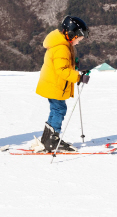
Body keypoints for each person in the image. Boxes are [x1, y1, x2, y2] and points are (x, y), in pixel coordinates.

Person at [36, 16, 91, 152]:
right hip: (55, 85)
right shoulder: (62, 48)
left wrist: (74, 64)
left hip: (53, 85)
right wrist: (78, 77)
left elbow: (63, 65)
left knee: (55, 110)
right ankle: (53, 140)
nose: (78, 42)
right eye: (78, 39)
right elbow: (62, 70)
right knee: (59, 110)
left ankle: (47, 138)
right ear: (71, 34)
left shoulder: (62, 45)